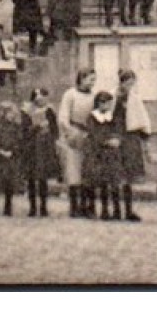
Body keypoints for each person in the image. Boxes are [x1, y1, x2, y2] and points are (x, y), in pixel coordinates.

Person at [57, 68, 97, 217]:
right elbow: (63, 117)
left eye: (94, 80)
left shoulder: (94, 96)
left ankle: (89, 207)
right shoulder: (70, 94)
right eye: (90, 79)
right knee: (74, 171)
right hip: (74, 135)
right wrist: (70, 132)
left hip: (89, 136)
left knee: (89, 171)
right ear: (82, 78)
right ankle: (74, 207)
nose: (93, 83)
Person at [113, 69, 149, 221]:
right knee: (115, 174)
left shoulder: (135, 99)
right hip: (116, 137)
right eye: (127, 83)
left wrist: (144, 133)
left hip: (130, 139)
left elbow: (142, 119)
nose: (129, 87)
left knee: (128, 177)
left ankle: (128, 210)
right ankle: (115, 210)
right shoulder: (112, 96)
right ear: (121, 82)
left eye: (132, 84)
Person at [83, 90, 124, 221]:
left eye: (109, 103)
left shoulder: (113, 117)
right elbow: (94, 134)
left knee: (114, 182)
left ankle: (117, 210)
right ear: (98, 104)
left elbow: (118, 130)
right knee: (101, 182)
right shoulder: (92, 118)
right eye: (103, 103)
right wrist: (106, 141)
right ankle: (103, 210)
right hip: (97, 153)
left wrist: (117, 139)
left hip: (112, 154)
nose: (106, 106)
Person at [21, 87, 62, 218]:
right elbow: (24, 131)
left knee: (43, 178)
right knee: (31, 178)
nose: (39, 98)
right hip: (31, 148)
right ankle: (32, 207)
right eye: (37, 96)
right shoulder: (26, 111)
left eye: (42, 95)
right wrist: (36, 127)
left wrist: (49, 133)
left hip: (45, 147)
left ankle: (43, 207)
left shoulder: (50, 111)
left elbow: (55, 130)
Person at [0, 100, 26, 217]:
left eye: (13, 113)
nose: (12, 115)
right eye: (9, 112)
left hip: (11, 157)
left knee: (9, 183)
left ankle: (8, 207)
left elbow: (19, 140)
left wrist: (12, 151)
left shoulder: (16, 127)